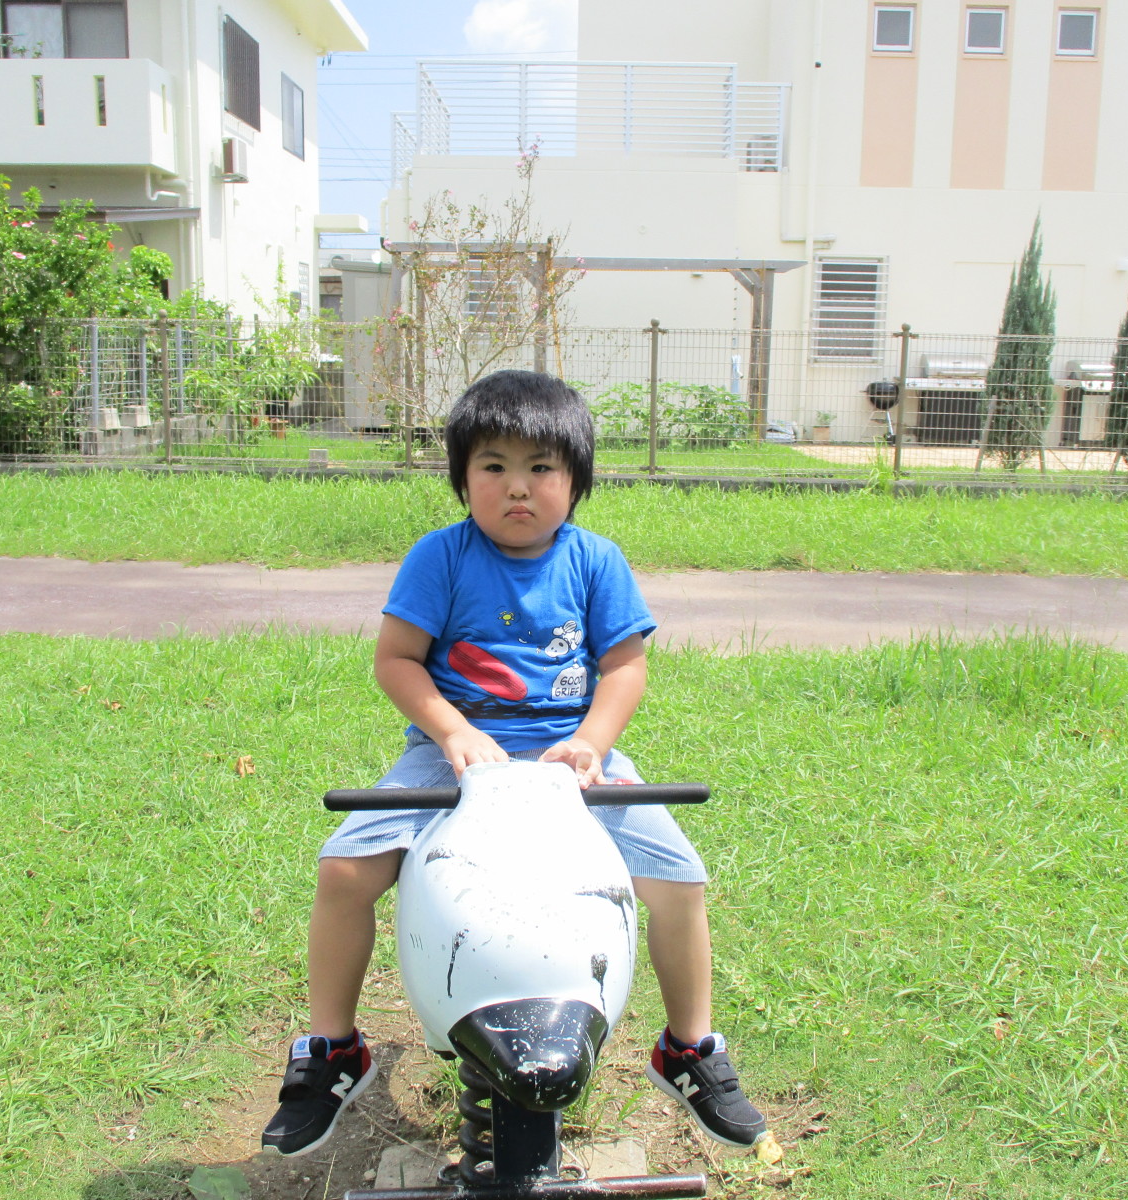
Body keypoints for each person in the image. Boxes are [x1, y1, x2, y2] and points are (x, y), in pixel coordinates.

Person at [261, 370, 767, 1157]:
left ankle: (689, 1049)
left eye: (541, 467)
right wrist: (452, 732)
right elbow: (397, 660)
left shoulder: (596, 561)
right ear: (462, 478)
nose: (517, 487)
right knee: (345, 870)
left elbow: (624, 667)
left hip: (573, 756)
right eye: (493, 466)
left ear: (576, 480)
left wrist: (592, 741)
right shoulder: (440, 557)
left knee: (680, 878)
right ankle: (332, 1048)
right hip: (454, 754)